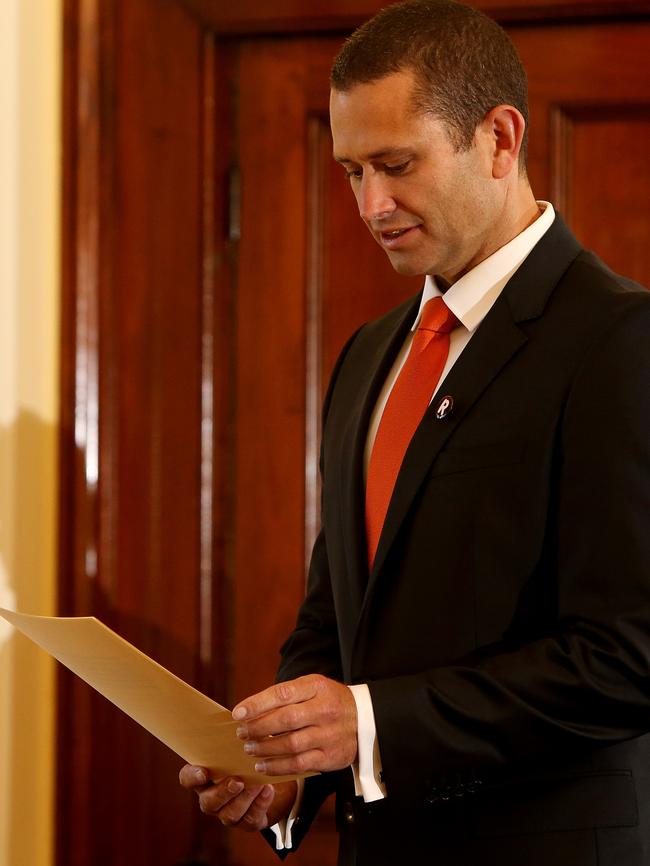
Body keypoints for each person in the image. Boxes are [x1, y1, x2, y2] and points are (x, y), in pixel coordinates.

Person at [180, 2, 650, 864]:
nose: (371, 204)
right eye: (351, 170)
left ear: (500, 140)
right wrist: (294, 769)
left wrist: (365, 723)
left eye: (396, 165)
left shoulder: (620, 341)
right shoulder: (368, 354)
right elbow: (337, 621)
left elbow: (629, 657)